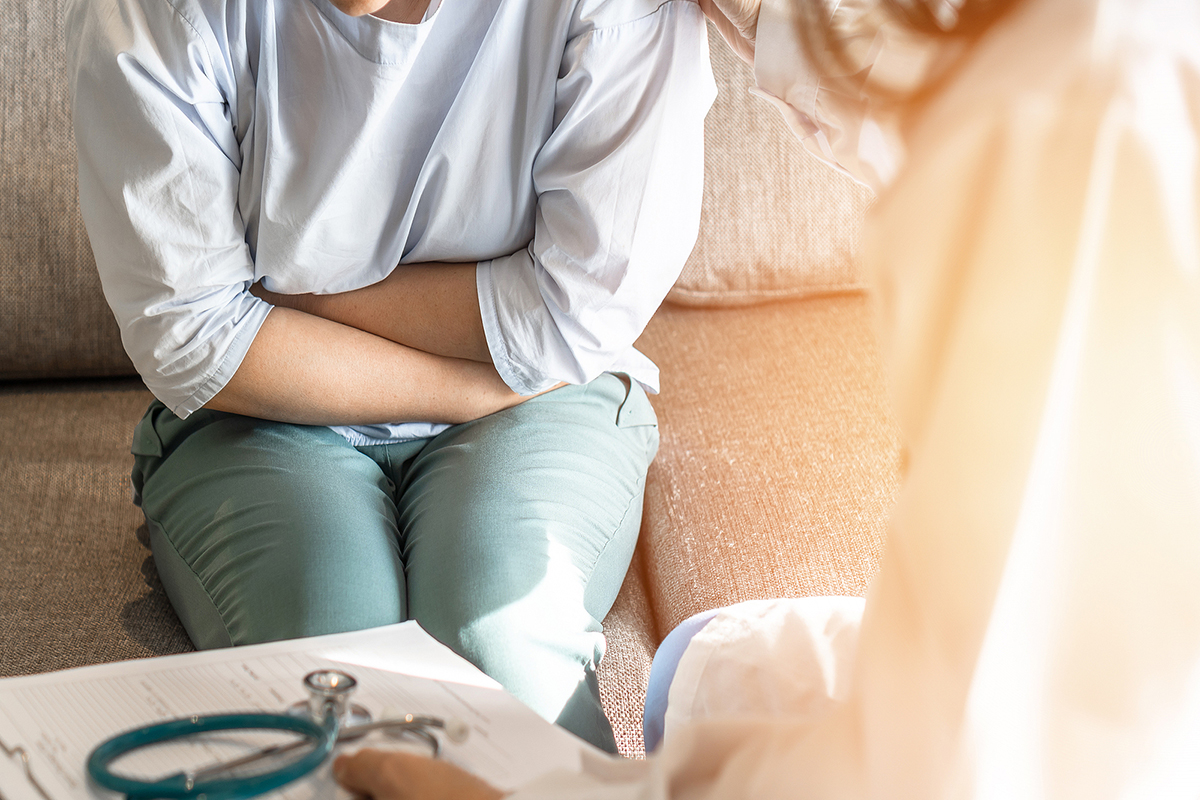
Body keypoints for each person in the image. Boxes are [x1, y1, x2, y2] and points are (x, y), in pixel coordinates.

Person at [330, 0, 1200, 795]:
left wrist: (551, 795)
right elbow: (905, 92)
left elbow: (981, 755)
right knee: (704, 668)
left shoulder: (1078, 130)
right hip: (1061, 693)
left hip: (1094, 740)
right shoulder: (1043, 74)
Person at [65, 0, 717, 753]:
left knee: (502, 646)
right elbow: (192, 335)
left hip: (541, 408)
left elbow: (576, 311)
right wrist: (475, 386)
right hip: (267, 409)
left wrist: (300, 295)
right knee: (339, 672)